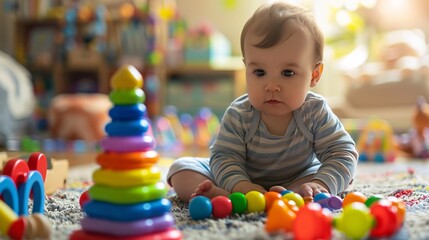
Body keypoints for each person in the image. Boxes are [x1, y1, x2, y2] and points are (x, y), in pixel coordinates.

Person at [167, 1, 358, 202]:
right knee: (181, 169)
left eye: (287, 73)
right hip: (242, 179)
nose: (271, 85)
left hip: (298, 179)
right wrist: (242, 186)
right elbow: (224, 157)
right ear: (246, 69)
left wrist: (321, 184)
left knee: (330, 175)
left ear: (314, 75)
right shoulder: (239, 114)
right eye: (259, 72)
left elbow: (342, 152)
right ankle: (233, 197)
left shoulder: (315, 111)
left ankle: (290, 196)